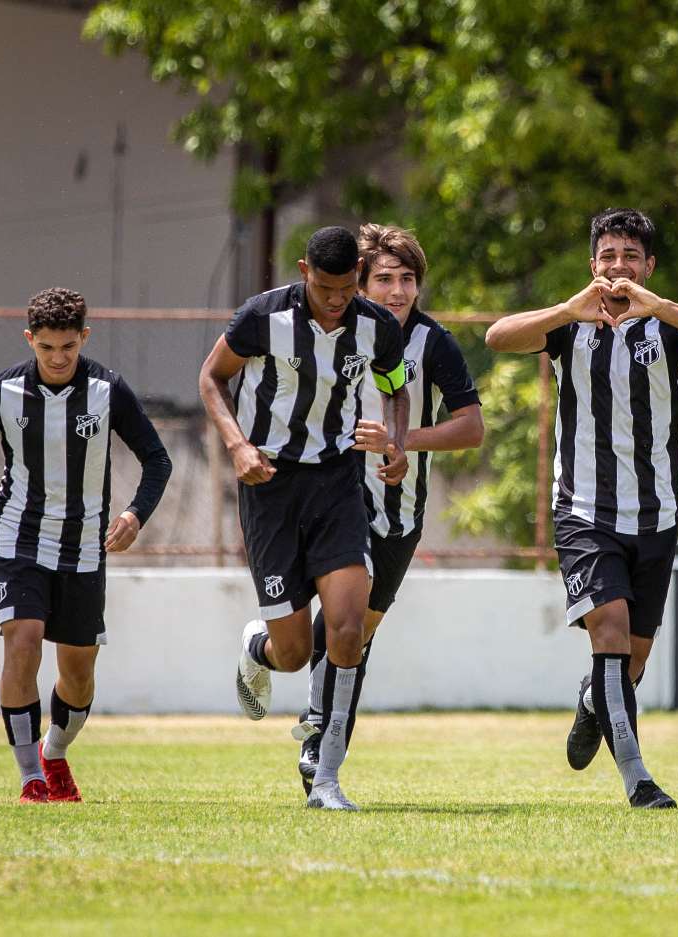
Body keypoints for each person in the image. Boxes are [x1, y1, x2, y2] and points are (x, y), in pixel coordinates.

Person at [486, 208, 678, 808]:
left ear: (648, 266)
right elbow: (496, 337)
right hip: (584, 511)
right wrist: (562, 309)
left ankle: (590, 701)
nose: (618, 266)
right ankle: (638, 780)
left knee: (630, 661)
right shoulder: (569, 325)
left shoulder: (669, 328)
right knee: (608, 632)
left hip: (655, 514)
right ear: (592, 264)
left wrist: (662, 306)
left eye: (630, 256)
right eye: (608, 256)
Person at [199, 225, 409, 811]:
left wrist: (393, 440)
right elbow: (211, 378)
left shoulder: (377, 328)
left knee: (346, 628)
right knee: (293, 653)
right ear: (303, 272)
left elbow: (395, 388)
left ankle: (327, 779)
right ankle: (258, 649)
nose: (337, 300)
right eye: (325, 288)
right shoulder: (261, 317)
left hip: (337, 483)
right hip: (269, 486)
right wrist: (238, 446)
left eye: (347, 288)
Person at [0, 287, 172, 803]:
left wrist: (135, 515)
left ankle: (55, 752)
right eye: (47, 347)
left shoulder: (108, 391)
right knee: (22, 643)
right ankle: (30, 779)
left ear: (83, 337)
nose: (59, 357)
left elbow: (158, 460)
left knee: (78, 674)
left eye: (68, 346)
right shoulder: (2, 392)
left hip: (86, 546)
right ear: (31, 340)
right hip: (19, 536)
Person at [293, 223, 484, 793]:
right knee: (337, 628)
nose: (397, 291)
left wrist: (401, 442)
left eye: (407, 279)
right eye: (384, 279)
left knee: (356, 633)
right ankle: (319, 747)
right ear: (359, 283)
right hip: (327, 500)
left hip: (398, 517)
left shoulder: (434, 342)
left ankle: (315, 733)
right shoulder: (322, 331)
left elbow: (472, 428)